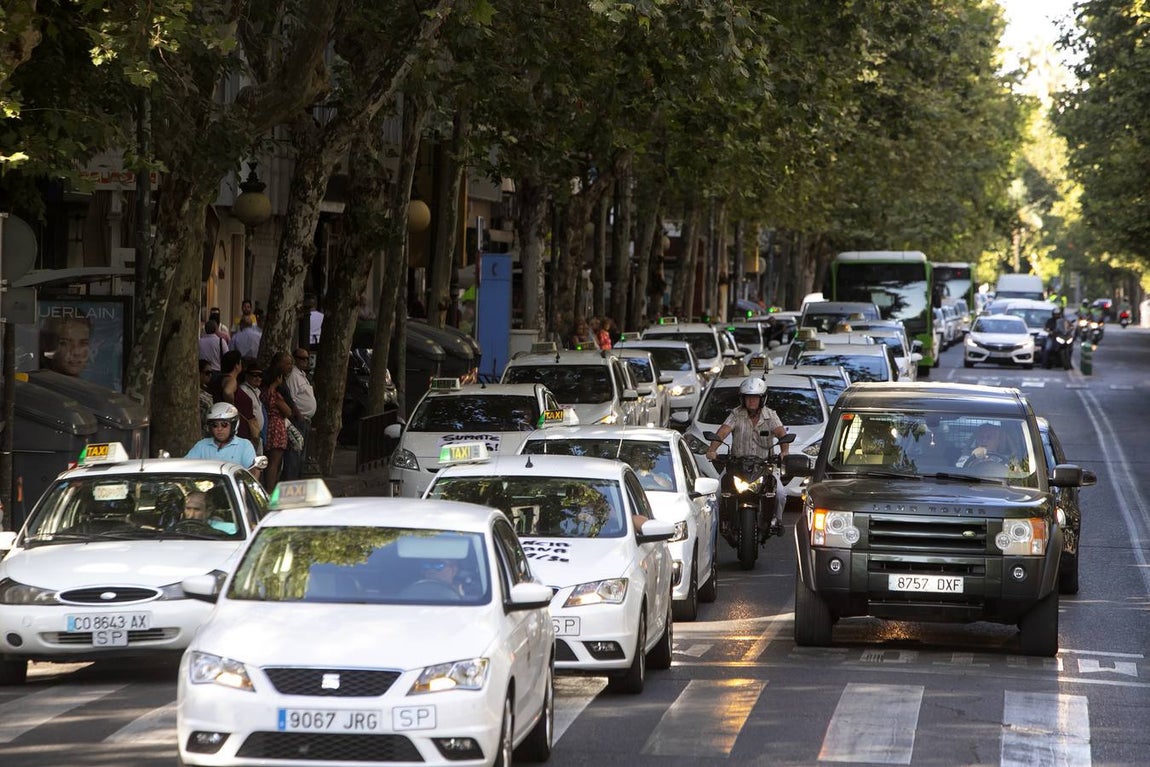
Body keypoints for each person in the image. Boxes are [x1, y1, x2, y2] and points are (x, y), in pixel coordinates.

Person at [704, 377, 789, 537]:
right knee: (716, 494)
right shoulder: (736, 414)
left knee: (780, 494)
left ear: (762, 399)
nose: (752, 401)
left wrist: (785, 452)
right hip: (737, 465)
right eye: (748, 397)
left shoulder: (771, 415)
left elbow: (781, 434)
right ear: (742, 398)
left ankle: (775, 521)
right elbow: (722, 432)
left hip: (764, 466)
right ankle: (718, 524)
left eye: (755, 397)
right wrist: (712, 449)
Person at [186, 402, 259, 472]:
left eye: (224, 424)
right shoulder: (201, 445)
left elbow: (253, 471)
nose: (219, 429)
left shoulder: (244, 445)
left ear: (233, 426)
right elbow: (186, 466)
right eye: (214, 425)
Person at [282, 347, 317, 480]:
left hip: (305, 419)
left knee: (300, 455)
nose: (305, 361)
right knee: (294, 455)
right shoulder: (293, 376)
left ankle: (295, 480)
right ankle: (290, 481)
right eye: (302, 358)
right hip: (298, 420)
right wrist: (298, 415)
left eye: (307, 358)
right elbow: (290, 399)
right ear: (295, 359)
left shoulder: (302, 375)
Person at [261, 358, 293, 490]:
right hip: (277, 426)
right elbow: (288, 411)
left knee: (270, 461)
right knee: (275, 462)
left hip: (268, 426)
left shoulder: (263, 393)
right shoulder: (275, 395)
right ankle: (270, 489)